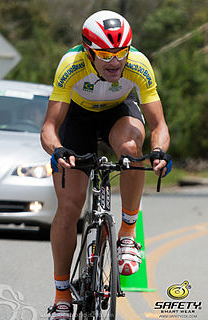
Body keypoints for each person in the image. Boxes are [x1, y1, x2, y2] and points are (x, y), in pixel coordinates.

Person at [41, 10, 171, 320]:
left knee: (130, 149)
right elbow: (49, 126)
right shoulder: (70, 65)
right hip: (78, 117)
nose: (115, 62)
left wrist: (159, 151)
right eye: (105, 55)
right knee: (69, 208)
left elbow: (159, 124)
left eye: (121, 53)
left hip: (119, 112)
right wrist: (57, 149)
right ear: (88, 51)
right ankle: (61, 294)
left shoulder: (138, 64)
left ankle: (127, 233)